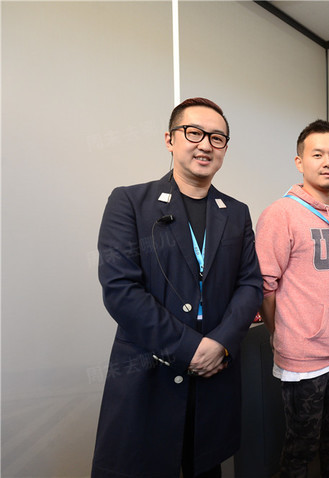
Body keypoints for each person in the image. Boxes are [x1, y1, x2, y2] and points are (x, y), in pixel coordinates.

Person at [92, 97, 263, 477]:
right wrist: (190, 348)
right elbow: (120, 288)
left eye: (217, 138)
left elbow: (250, 283)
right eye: (194, 133)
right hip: (149, 375)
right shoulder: (129, 202)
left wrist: (220, 344)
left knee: (206, 465)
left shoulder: (236, 212)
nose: (205, 145)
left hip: (215, 374)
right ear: (170, 139)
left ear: (225, 148)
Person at [255, 119, 329, 478]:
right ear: (300, 162)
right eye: (317, 155)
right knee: (301, 447)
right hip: (303, 358)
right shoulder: (280, 214)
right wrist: (280, 332)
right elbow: (265, 287)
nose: (327, 162)